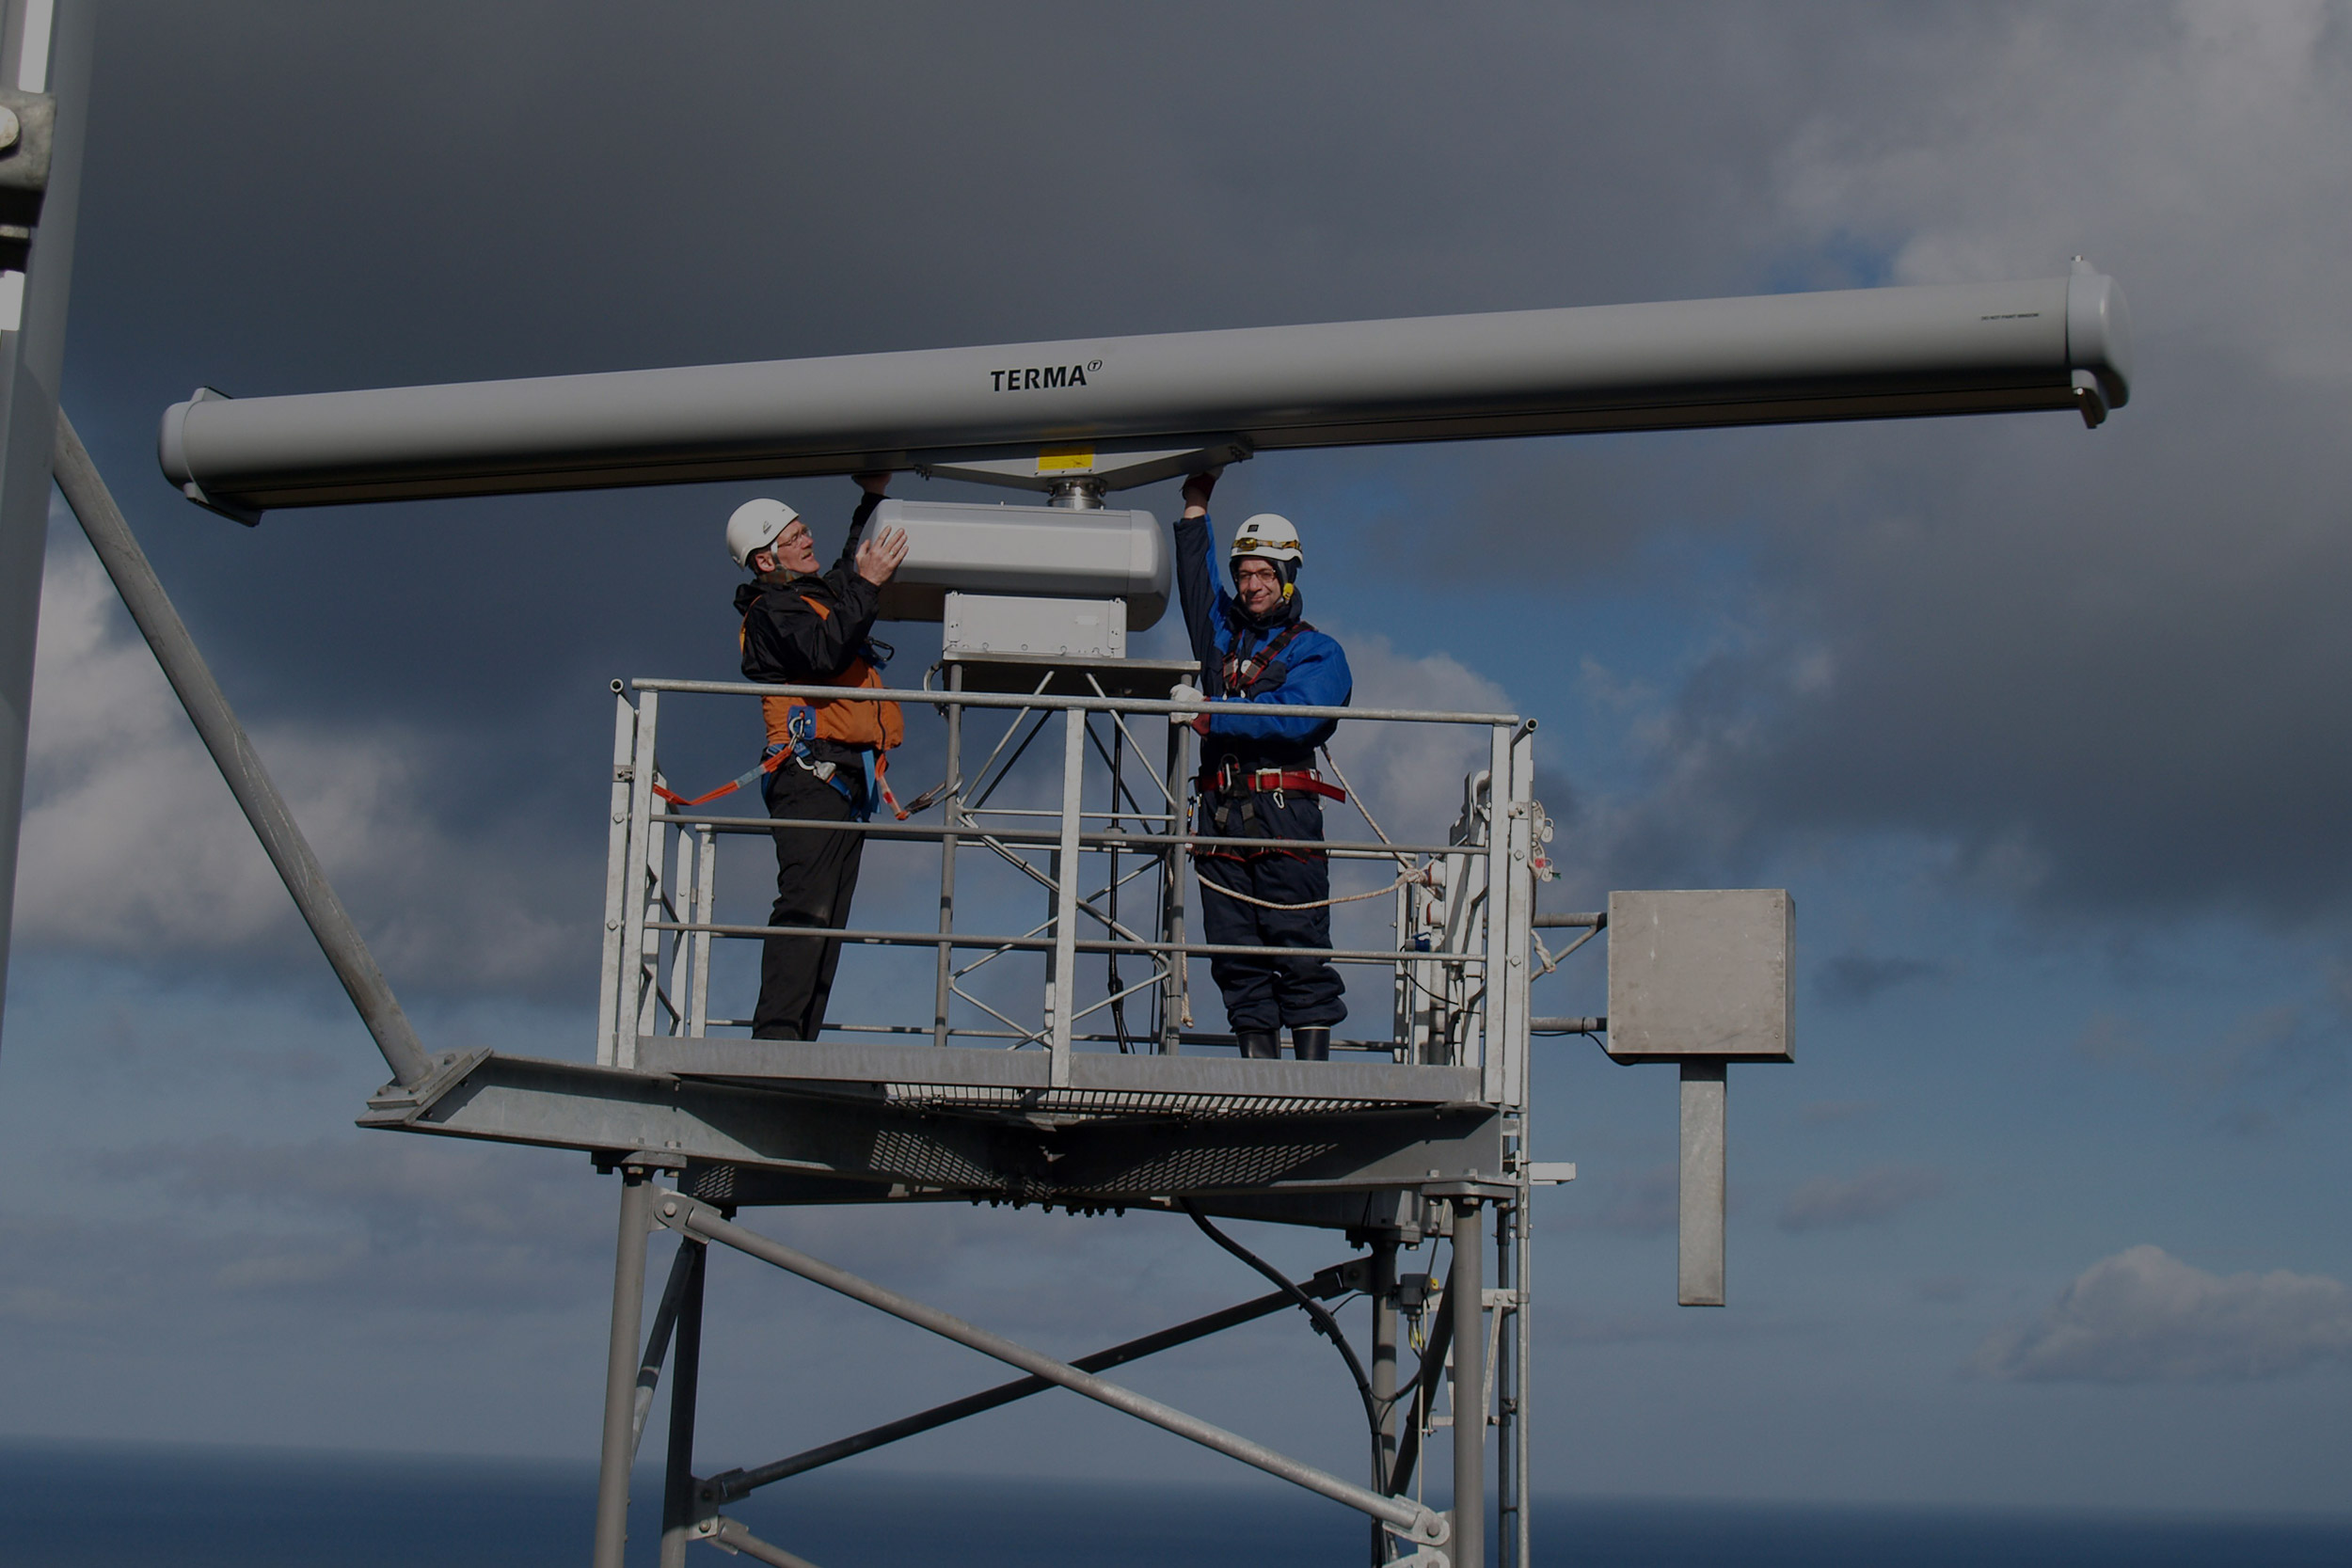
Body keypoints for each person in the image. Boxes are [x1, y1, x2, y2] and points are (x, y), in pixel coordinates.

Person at [1172, 468, 1353, 1061]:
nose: (1251, 586)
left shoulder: (1317, 652)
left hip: (1284, 815)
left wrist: (1212, 713)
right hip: (1220, 817)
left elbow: (1299, 716)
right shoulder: (1221, 636)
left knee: (1298, 946)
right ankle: (1260, 1081)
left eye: (1264, 574)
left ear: (1287, 576)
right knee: (1235, 953)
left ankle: (1310, 1085)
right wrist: (1196, 500)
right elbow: (1196, 583)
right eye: (1244, 574)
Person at [726, 474, 911, 1041]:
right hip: (810, 775)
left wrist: (873, 498)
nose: (808, 539)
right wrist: (870, 584)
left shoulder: (812, 596)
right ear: (765, 560)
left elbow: (848, 569)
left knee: (829, 919)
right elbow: (825, 652)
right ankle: (775, 1042)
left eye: (805, 530)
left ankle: (798, 1043)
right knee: (807, 909)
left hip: (844, 779)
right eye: (795, 536)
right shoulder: (771, 612)